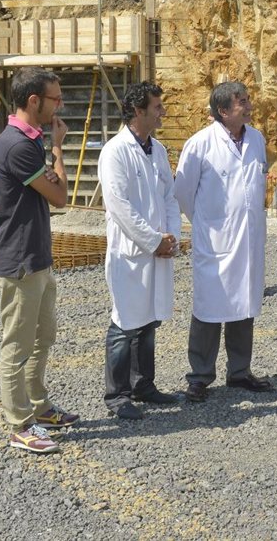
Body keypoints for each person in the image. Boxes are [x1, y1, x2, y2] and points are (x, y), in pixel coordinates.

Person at [0, 67, 78, 454]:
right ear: (33, 101)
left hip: (36, 257)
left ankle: (39, 407)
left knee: (44, 336)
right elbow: (59, 198)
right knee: (17, 345)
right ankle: (20, 425)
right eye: (55, 99)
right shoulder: (18, 146)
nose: (60, 106)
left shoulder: (27, 141)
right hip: (21, 261)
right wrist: (57, 148)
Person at [175, 82, 273, 402]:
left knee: (243, 304)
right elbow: (183, 193)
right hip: (215, 240)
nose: (249, 106)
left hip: (248, 239)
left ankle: (239, 371)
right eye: (241, 102)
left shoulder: (256, 139)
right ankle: (200, 376)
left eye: (247, 99)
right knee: (208, 309)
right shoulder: (200, 144)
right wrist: (207, 222)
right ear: (223, 111)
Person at [98, 81, 182, 420]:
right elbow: (119, 205)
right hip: (130, 253)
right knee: (124, 323)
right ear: (138, 110)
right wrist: (152, 240)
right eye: (157, 107)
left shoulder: (157, 150)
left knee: (149, 321)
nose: (163, 112)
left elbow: (169, 197)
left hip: (156, 249)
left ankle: (143, 385)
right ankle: (117, 396)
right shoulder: (115, 151)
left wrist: (171, 237)